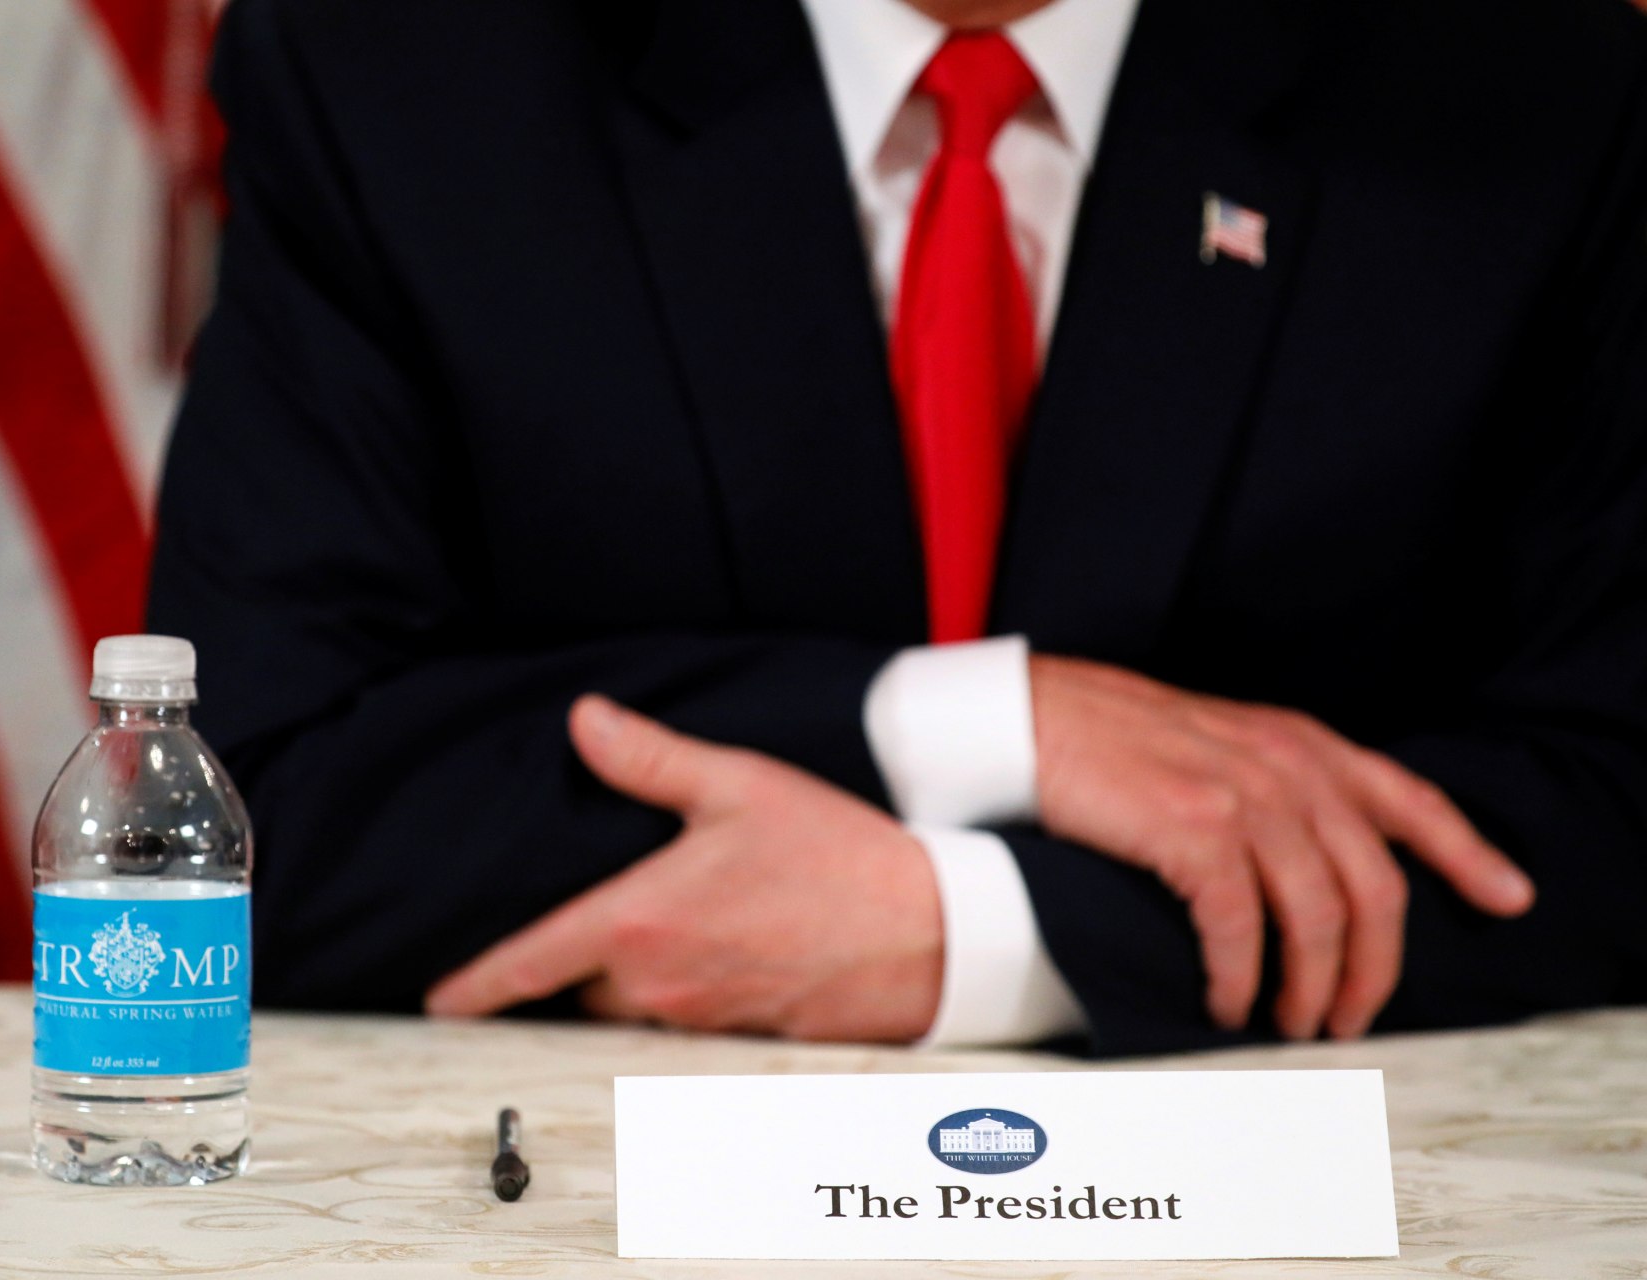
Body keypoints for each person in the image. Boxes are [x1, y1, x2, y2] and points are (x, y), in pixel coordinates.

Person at [148, 0, 1647, 1055]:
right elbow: (223, 819)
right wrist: (980, 726)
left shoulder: (1525, 88)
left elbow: (1615, 804)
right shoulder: (403, 63)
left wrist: (984, 933)